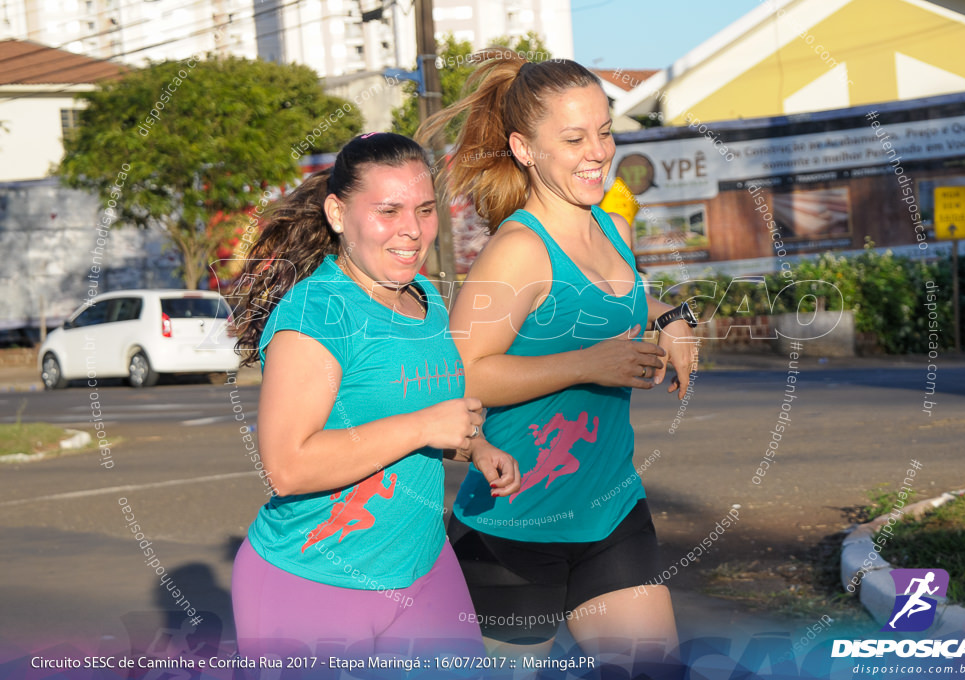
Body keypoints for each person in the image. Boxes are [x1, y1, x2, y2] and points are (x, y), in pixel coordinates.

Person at [417, 54, 700, 672]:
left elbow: (615, 302)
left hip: (612, 514)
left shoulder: (607, 227)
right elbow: (460, 374)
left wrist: (673, 317)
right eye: (573, 138)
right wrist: (583, 365)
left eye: (603, 130)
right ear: (525, 149)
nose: (597, 151)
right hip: (513, 530)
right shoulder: (517, 250)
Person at [230, 132, 520, 661]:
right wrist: (425, 428)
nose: (412, 230)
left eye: (425, 209)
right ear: (338, 214)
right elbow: (287, 467)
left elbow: (420, 410)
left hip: (424, 570)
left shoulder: (425, 298)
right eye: (389, 210)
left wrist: (475, 446)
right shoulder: (316, 312)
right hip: (313, 580)